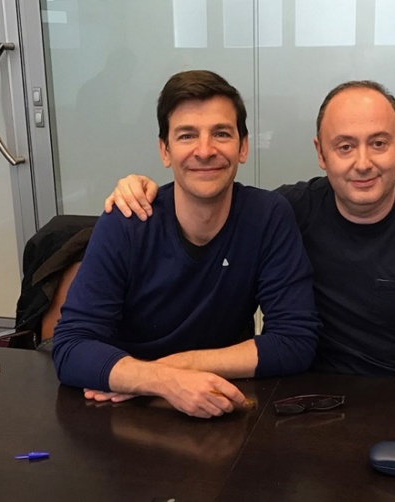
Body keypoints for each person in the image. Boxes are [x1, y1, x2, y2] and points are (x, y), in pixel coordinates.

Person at [104, 80, 395, 449]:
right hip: (299, 407)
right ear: (320, 153)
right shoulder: (284, 212)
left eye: (378, 143)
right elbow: (208, 195)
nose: (363, 163)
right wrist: (143, 188)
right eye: (344, 146)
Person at [52, 70, 321, 419]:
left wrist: (174, 371)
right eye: (187, 135)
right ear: (165, 150)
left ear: (243, 147)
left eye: (221, 134)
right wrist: (161, 382)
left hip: (218, 401)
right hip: (123, 411)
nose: (205, 150)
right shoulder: (127, 220)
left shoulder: (267, 216)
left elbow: (295, 342)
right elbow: (71, 348)